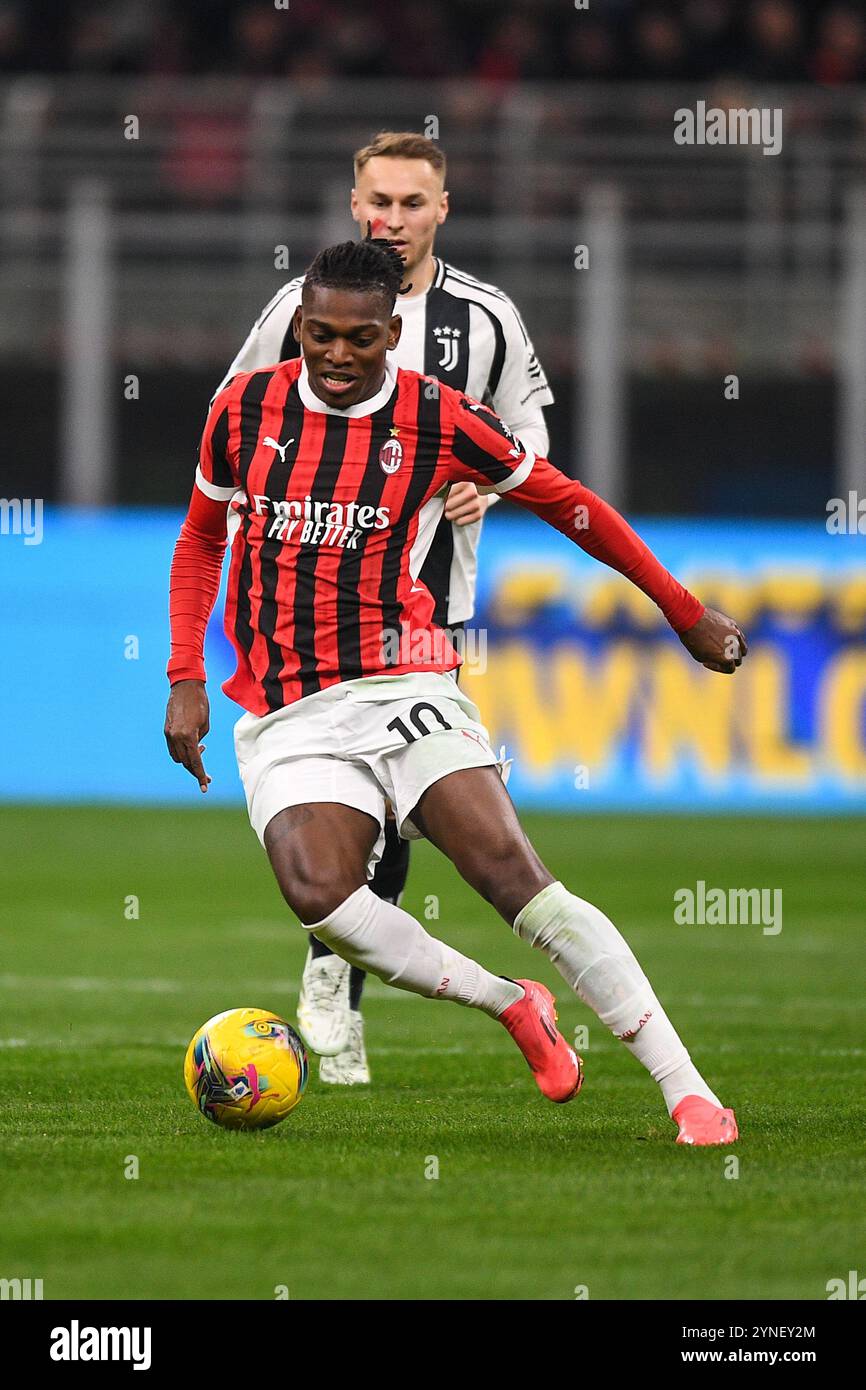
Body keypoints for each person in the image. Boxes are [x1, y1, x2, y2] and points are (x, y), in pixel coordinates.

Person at [166, 237, 746, 1145]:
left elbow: (571, 506)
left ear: (391, 331)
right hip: (286, 711)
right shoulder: (245, 410)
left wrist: (682, 610)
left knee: (514, 877)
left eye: (359, 338)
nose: (337, 355)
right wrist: (184, 676)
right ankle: (513, 1005)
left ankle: (689, 1093)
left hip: (404, 680)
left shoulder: (439, 418)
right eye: (319, 335)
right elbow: (201, 542)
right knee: (321, 894)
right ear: (300, 327)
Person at [217, 130, 554, 1083]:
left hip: (430, 590)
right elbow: (236, 407)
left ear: (442, 209)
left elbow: (527, 435)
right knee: (354, 796)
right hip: (315, 587)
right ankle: (338, 973)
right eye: (377, 202)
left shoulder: (487, 319)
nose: (392, 220)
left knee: (414, 803)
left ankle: (335, 962)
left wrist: (485, 483)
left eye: (411, 203)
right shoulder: (302, 306)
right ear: (353, 203)